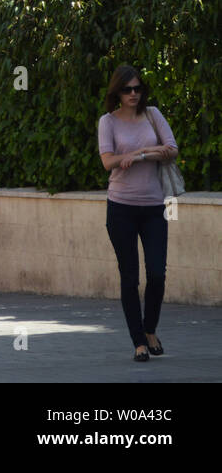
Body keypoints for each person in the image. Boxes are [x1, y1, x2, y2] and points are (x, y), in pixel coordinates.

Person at [98, 65, 178, 363]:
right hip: (121, 207)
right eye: (127, 89)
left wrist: (141, 154)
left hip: (156, 205)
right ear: (117, 92)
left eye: (138, 89)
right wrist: (127, 157)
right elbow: (108, 162)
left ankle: (150, 329)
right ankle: (138, 342)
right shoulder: (108, 122)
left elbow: (172, 148)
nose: (134, 94)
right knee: (129, 276)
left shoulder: (153, 114)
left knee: (157, 273)